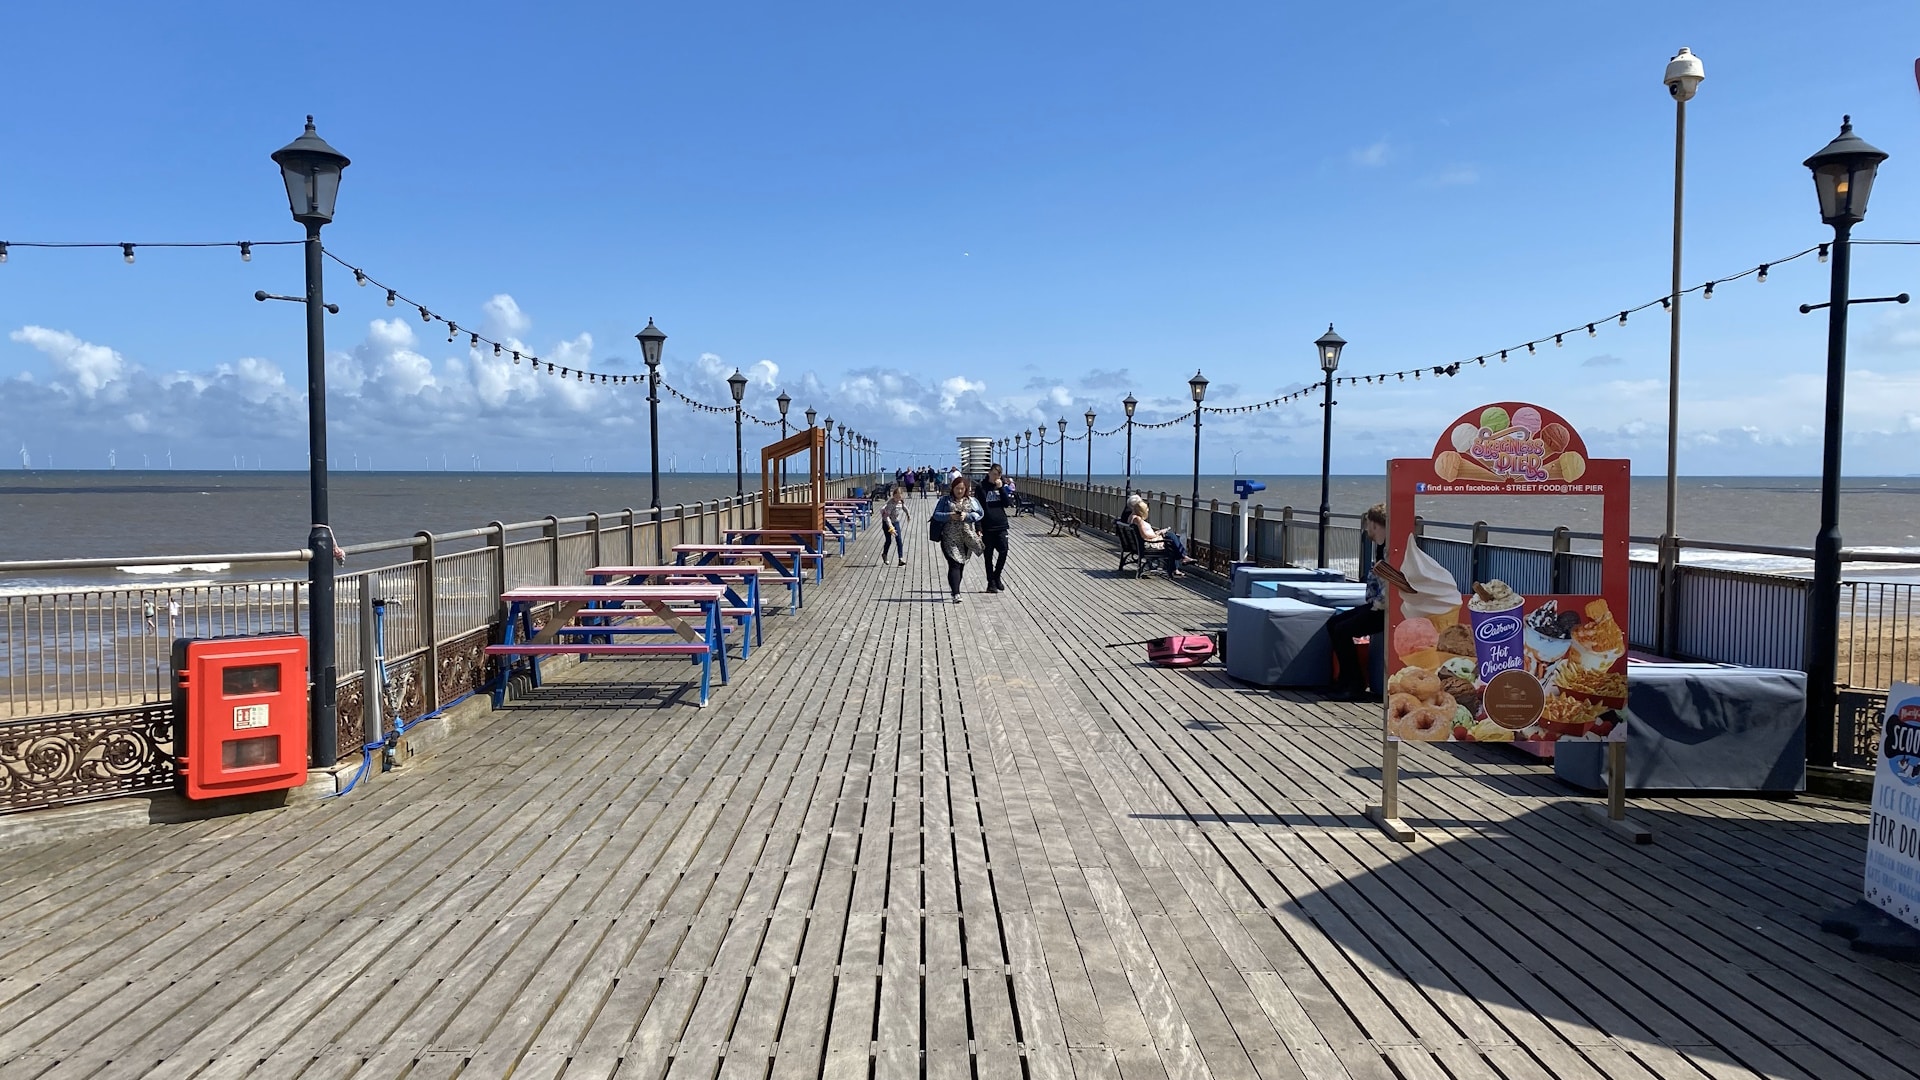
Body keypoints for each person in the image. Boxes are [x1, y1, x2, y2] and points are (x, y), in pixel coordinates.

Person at [1327, 503, 1390, 700]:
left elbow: (1389, 587)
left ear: (1374, 525)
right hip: (1377, 606)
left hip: (1385, 610)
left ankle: (1355, 683)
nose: (1366, 529)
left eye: (1368, 524)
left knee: (1342, 629)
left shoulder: (1390, 550)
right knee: (1334, 623)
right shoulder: (1382, 547)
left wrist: (1376, 605)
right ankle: (1345, 680)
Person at [932, 476, 984, 603]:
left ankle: (955, 588)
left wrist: (967, 516)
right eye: (957, 488)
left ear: (966, 489)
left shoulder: (972, 501)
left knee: (961, 563)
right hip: (949, 537)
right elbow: (936, 514)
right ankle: (956, 593)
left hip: (966, 537)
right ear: (952, 488)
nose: (959, 491)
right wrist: (950, 516)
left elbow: (980, 514)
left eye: (962, 489)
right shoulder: (945, 500)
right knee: (954, 563)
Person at [1126, 495, 1191, 577]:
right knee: (1171, 539)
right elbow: (1144, 535)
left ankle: (1181, 561)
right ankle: (1182, 559)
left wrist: (1158, 533)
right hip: (1148, 544)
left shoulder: (1131, 517)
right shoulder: (1137, 519)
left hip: (1140, 543)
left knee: (1172, 538)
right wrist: (1156, 534)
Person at [975, 463, 1013, 592]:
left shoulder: (1001, 486)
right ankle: (990, 582)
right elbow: (977, 508)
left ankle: (997, 576)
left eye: (999, 475)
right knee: (988, 556)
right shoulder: (981, 487)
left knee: (1004, 550)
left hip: (1001, 524)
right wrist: (978, 527)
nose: (997, 477)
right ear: (989, 473)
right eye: (995, 474)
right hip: (987, 526)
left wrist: (1001, 489)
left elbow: (1007, 504)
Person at [879, 485, 911, 567]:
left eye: (899, 497)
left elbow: (904, 507)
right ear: (893, 496)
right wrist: (890, 527)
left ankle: (900, 558)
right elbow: (886, 517)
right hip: (887, 523)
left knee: (899, 540)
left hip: (896, 522)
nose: (897, 499)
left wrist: (908, 515)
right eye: (896, 497)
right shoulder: (890, 504)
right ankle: (884, 554)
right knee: (888, 540)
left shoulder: (900, 502)